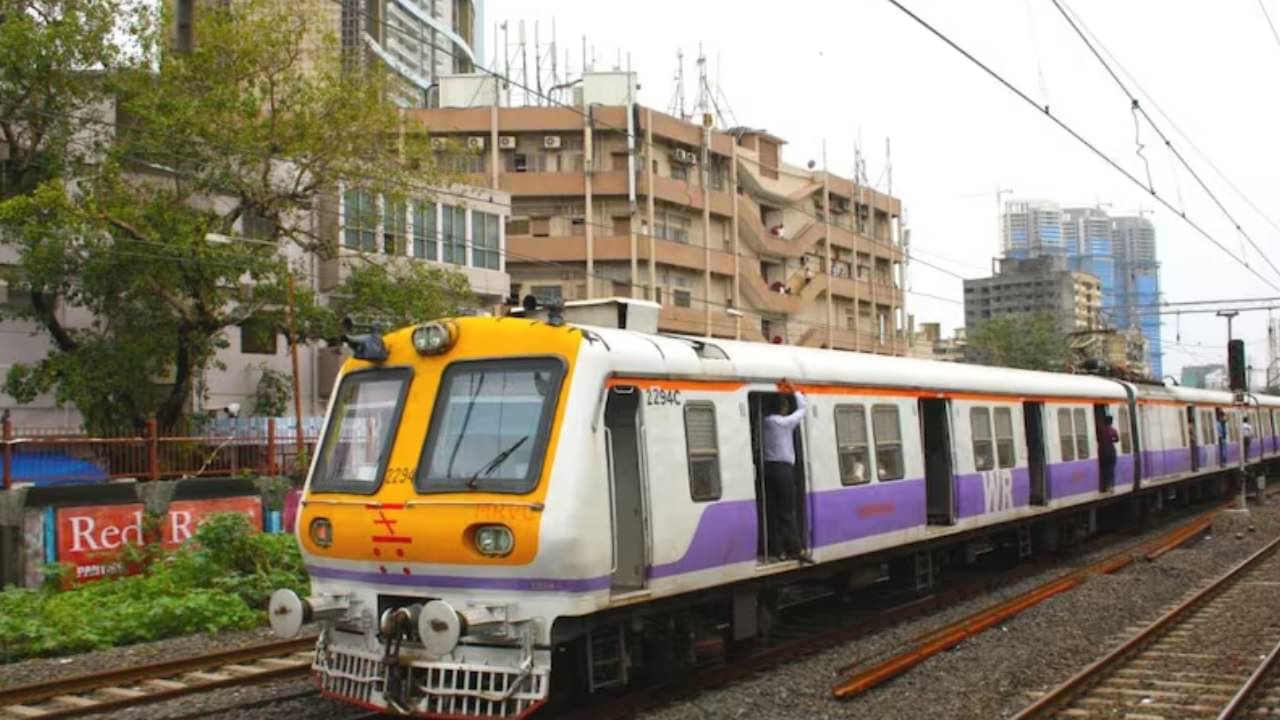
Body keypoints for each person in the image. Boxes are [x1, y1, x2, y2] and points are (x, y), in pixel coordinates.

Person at [763, 379, 809, 562]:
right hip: (783, 470)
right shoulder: (784, 423)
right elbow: (803, 410)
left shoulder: (765, 422)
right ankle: (795, 549)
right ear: (782, 408)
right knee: (787, 511)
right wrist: (795, 391)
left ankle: (777, 549)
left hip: (768, 468)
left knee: (772, 511)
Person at [1097, 414, 1119, 490]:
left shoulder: (1101, 430)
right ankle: (1111, 486)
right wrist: (1111, 440)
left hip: (1102, 452)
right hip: (1111, 452)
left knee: (1104, 469)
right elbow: (1117, 439)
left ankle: (1104, 485)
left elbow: (1098, 439)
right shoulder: (1113, 430)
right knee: (1111, 470)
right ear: (1111, 422)